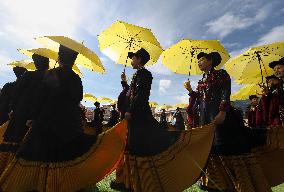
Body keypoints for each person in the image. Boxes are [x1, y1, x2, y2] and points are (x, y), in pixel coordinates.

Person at [0, 45, 127, 191]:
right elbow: (78, 97)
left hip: (48, 121)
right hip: (69, 123)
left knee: (40, 154)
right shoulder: (76, 78)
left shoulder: (51, 74)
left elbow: (41, 98)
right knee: (65, 154)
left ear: (59, 58)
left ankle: (39, 184)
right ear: (73, 61)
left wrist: (34, 117)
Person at [115, 48, 216, 192]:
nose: (131, 61)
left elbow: (141, 96)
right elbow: (131, 94)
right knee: (133, 147)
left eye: (133, 58)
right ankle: (132, 183)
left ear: (139, 59)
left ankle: (144, 184)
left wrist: (130, 110)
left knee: (140, 148)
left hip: (140, 118)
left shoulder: (145, 74)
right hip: (136, 118)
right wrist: (124, 83)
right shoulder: (138, 74)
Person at [185, 52, 268, 192]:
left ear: (210, 60)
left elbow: (225, 92)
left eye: (202, 59)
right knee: (213, 150)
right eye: (198, 61)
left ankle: (240, 185)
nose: (199, 62)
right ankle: (219, 185)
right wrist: (190, 90)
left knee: (226, 147)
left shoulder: (221, 74)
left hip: (222, 119)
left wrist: (222, 111)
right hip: (207, 120)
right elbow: (200, 100)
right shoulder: (201, 80)